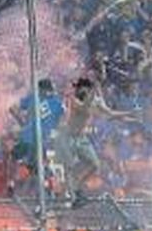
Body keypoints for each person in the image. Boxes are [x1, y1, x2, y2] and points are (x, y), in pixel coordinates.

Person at [57, 77, 136, 207]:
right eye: (79, 88)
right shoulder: (73, 99)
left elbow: (109, 113)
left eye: (83, 88)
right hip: (67, 138)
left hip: (82, 139)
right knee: (70, 167)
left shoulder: (94, 100)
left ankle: (77, 186)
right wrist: (94, 93)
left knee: (95, 165)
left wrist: (130, 114)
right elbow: (83, 108)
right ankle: (72, 196)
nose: (80, 90)